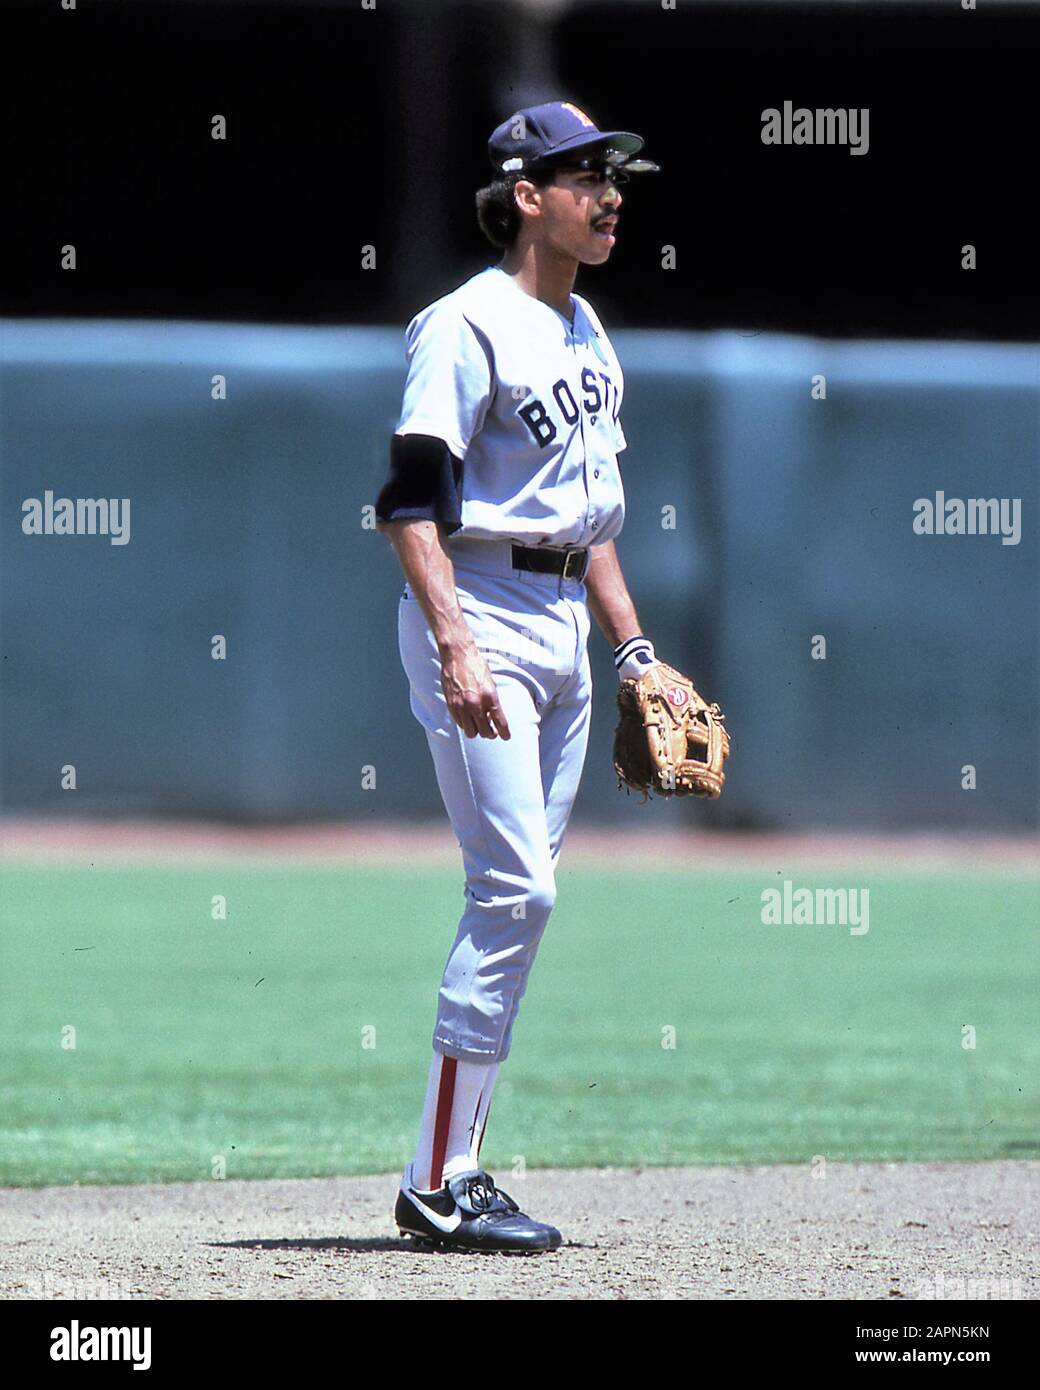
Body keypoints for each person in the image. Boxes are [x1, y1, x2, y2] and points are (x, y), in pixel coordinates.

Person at [375, 101, 661, 1253]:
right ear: (523, 195)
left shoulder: (589, 330)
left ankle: (454, 1167)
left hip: (564, 632)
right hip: (481, 610)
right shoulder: (462, 325)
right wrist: (453, 641)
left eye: (613, 176)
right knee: (516, 891)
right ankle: (436, 1178)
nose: (609, 194)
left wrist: (633, 646)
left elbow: (590, 524)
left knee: (523, 900)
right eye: (583, 175)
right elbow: (406, 505)